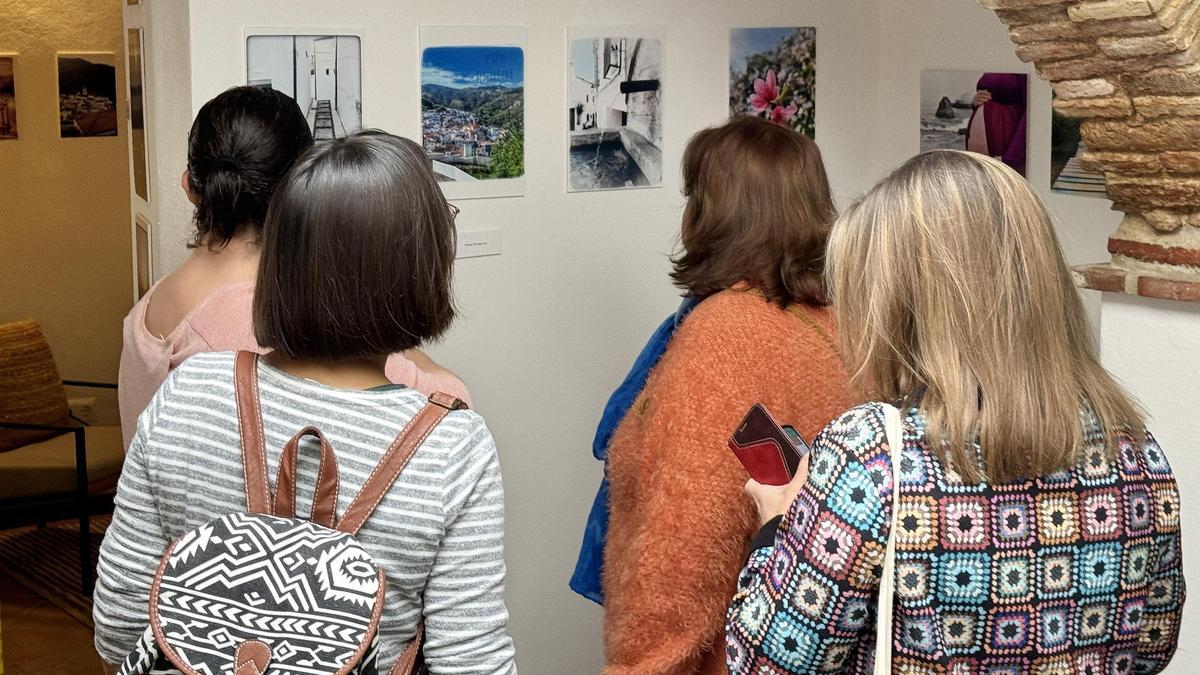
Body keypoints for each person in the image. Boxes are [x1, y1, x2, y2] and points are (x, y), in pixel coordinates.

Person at [727, 150, 1184, 673]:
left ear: (898, 307)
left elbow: (766, 664)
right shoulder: (1136, 451)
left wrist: (776, 524)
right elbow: (1150, 646)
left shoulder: (873, 454)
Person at [94, 132, 517, 674]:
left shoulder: (191, 389)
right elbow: (471, 663)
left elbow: (120, 624)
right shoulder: (453, 447)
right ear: (423, 267)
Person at [602, 115, 853, 674]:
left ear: (712, 216)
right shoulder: (839, 327)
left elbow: (683, 547)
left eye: (694, 196)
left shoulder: (723, 339)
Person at [117, 86, 469, 447]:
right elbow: (447, 405)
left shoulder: (152, 304)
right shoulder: (259, 326)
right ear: (301, 191)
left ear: (190, 186)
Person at [965, 72, 1027, 175]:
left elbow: (1031, 113)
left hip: (1005, 152)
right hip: (981, 158)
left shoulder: (1023, 68)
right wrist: (976, 103)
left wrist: (1010, 158)